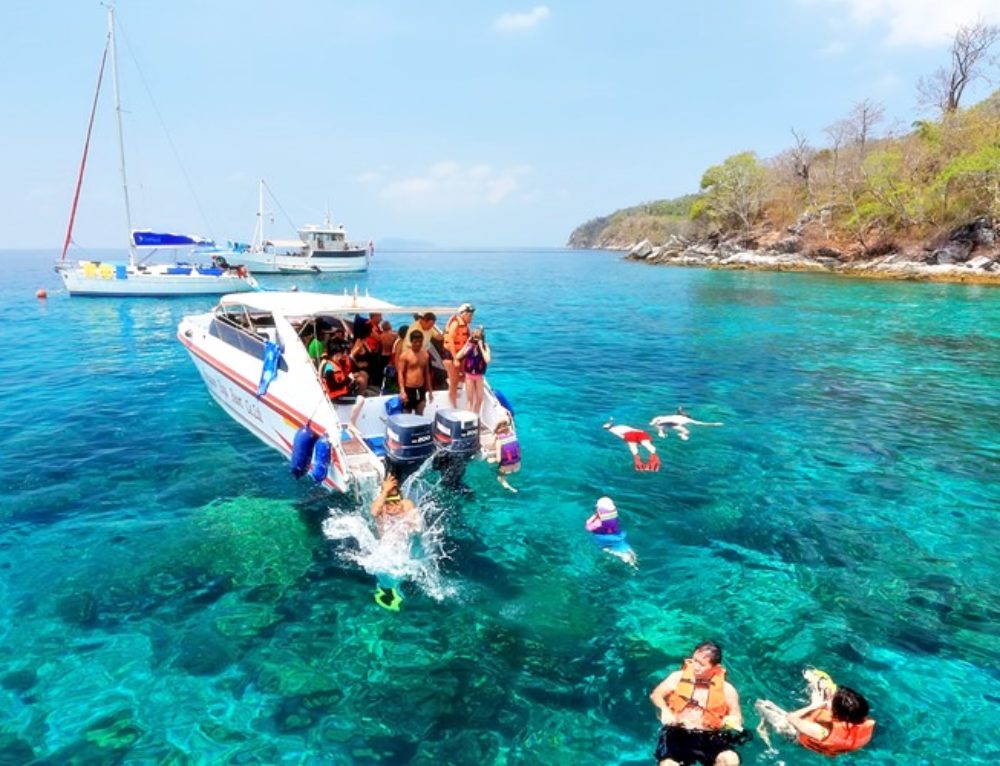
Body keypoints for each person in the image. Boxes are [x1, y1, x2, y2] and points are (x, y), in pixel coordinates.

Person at [650, 641, 747, 766]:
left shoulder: (727, 689)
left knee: (730, 760)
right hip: (678, 732)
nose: (695, 666)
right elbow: (656, 695)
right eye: (694, 660)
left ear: (715, 667)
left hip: (709, 736)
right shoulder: (677, 678)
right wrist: (665, 710)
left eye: (701, 664)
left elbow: (736, 715)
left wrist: (731, 720)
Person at [755, 670, 875, 757]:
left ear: (836, 712)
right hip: (836, 733)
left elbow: (791, 718)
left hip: (799, 735)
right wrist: (817, 682)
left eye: (830, 700)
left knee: (761, 704)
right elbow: (835, 698)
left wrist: (813, 705)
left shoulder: (820, 731)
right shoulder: (857, 712)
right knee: (818, 689)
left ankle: (765, 730)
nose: (829, 697)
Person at [369, 473, 420, 611]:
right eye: (389, 502)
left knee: (402, 577)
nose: (393, 505)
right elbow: (373, 512)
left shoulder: (407, 505)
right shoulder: (381, 511)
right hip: (386, 553)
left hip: (404, 551)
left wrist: (411, 522)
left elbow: (417, 527)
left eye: (396, 501)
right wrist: (385, 491)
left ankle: (399, 597)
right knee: (387, 578)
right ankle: (385, 593)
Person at [585, 496, 636, 567]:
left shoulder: (597, 523)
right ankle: (633, 562)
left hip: (605, 540)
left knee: (608, 549)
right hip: (618, 536)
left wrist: (592, 518)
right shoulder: (614, 519)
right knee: (625, 548)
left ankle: (629, 562)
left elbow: (588, 528)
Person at [443, 303, 475, 408]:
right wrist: (455, 358)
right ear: (463, 314)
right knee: (454, 383)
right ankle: (454, 406)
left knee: (468, 375)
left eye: (472, 315)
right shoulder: (455, 323)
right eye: (469, 315)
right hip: (451, 356)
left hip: (460, 355)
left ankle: (451, 380)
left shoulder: (465, 325)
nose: (471, 317)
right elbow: (451, 340)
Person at [455, 326, 491, 415]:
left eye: (478, 338)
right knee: (470, 400)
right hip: (469, 376)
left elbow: (487, 360)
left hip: (479, 376)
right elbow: (458, 356)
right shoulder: (469, 346)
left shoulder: (485, 347)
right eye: (475, 338)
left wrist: (481, 347)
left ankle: (475, 417)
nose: (476, 340)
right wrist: (467, 343)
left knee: (480, 399)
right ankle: (467, 418)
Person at [397, 329, 433, 415]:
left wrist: (430, 391)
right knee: (406, 414)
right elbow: (400, 373)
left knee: (420, 412)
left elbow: (427, 373)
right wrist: (402, 391)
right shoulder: (405, 355)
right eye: (415, 341)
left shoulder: (425, 355)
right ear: (411, 341)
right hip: (408, 389)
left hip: (421, 388)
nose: (418, 344)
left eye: (420, 341)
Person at [650, 407, 724, 441]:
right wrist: (714, 424)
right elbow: (702, 423)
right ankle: (682, 435)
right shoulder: (687, 420)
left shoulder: (676, 416)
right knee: (687, 432)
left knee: (661, 425)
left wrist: (652, 422)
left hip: (661, 423)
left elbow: (658, 417)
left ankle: (661, 432)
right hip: (669, 424)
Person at [489, 417, 520, 493]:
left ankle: (508, 487)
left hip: (506, 469)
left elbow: (498, 460)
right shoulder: (513, 435)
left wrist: (492, 460)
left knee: (499, 478)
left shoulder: (499, 441)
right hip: (517, 467)